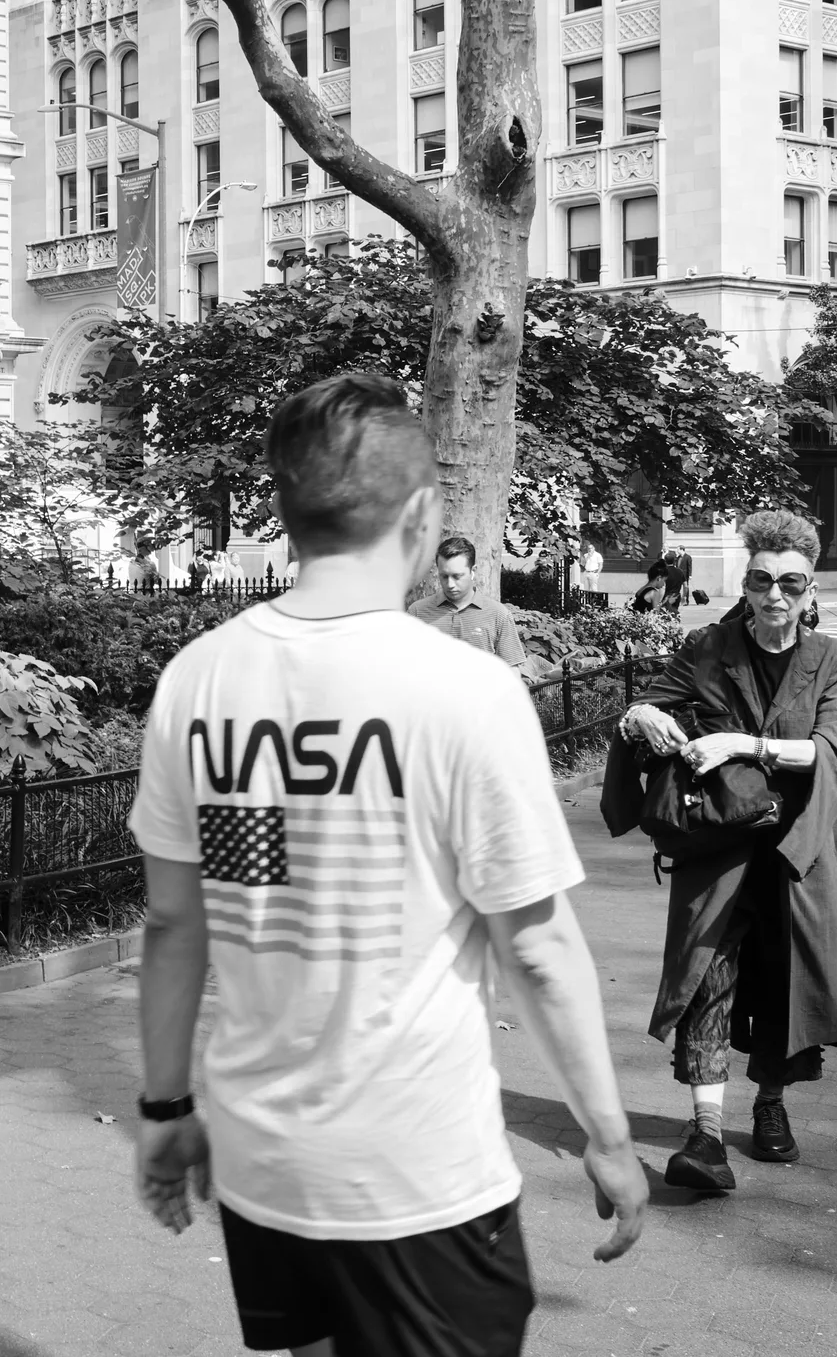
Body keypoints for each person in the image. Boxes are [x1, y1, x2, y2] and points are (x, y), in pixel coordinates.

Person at [129, 372, 647, 1357]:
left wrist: (163, 1107)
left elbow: (172, 924)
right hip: (419, 1178)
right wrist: (610, 1136)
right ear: (419, 516)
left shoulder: (197, 681)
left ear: (285, 511)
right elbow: (534, 949)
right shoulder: (464, 692)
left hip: (263, 1163)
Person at [601, 509, 837, 1193]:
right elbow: (645, 708)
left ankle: (771, 1106)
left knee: (784, 982)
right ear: (745, 583)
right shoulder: (710, 646)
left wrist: (741, 744)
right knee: (706, 977)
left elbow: (828, 751)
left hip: (794, 855)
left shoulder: (832, 658)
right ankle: (705, 1136)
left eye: (792, 583)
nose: (776, 596)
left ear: (810, 590)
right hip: (717, 848)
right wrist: (643, 716)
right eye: (762, 580)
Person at [407, 535, 530, 676]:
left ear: (473, 571)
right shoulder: (417, 612)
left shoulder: (498, 615)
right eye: (444, 576)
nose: (450, 584)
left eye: (457, 576)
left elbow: (512, 672)